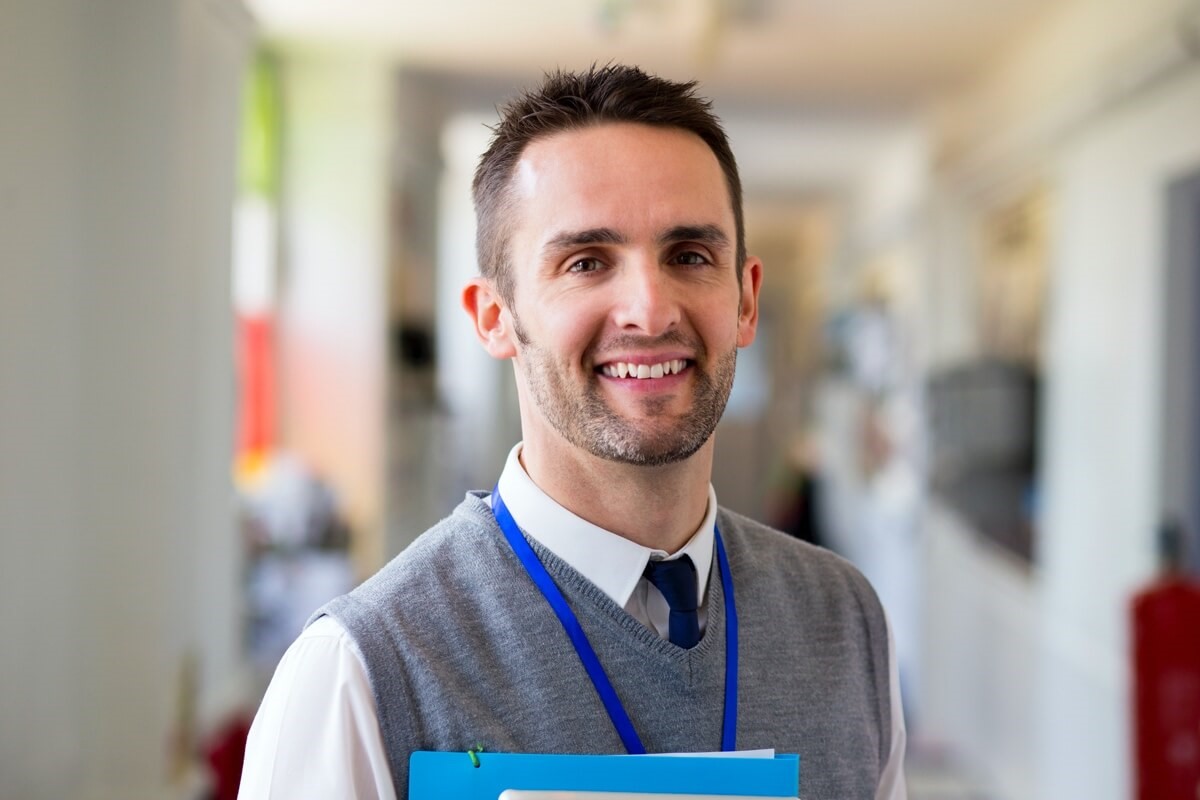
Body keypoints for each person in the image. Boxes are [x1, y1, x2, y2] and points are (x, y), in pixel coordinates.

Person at [238, 63, 906, 800]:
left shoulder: (844, 623)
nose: (650, 311)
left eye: (689, 256)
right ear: (494, 316)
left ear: (745, 300)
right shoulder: (362, 672)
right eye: (586, 262)